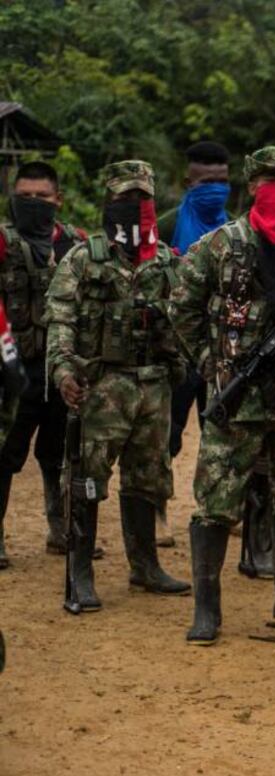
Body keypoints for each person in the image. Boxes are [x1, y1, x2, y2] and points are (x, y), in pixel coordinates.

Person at [172, 146, 275, 644]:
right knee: (216, 498)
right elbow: (183, 306)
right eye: (270, 178)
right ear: (252, 183)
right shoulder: (220, 245)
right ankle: (207, 608)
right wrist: (209, 362)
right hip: (237, 394)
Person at [45, 160, 191, 611]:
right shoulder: (83, 258)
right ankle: (80, 571)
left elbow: (185, 320)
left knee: (148, 478)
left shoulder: (165, 260)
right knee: (87, 480)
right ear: (110, 202)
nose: (136, 208)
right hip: (101, 385)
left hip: (153, 386)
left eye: (143, 200)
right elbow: (60, 319)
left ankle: (144, 566)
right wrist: (65, 372)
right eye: (127, 200)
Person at [0, 161, 86, 567]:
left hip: (60, 369)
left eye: (41, 197)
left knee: (61, 453)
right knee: (4, 454)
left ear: (58, 200)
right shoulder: (2, 241)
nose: (32, 203)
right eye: (24, 197)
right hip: (12, 370)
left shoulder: (76, 244)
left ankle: (61, 528)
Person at [165, 142, 232, 497]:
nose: (215, 190)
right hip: (176, 351)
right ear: (188, 182)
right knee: (168, 432)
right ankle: (160, 503)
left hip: (222, 350)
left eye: (222, 181)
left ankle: (216, 502)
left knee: (219, 431)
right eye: (207, 182)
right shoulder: (165, 226)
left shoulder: (235, 231)